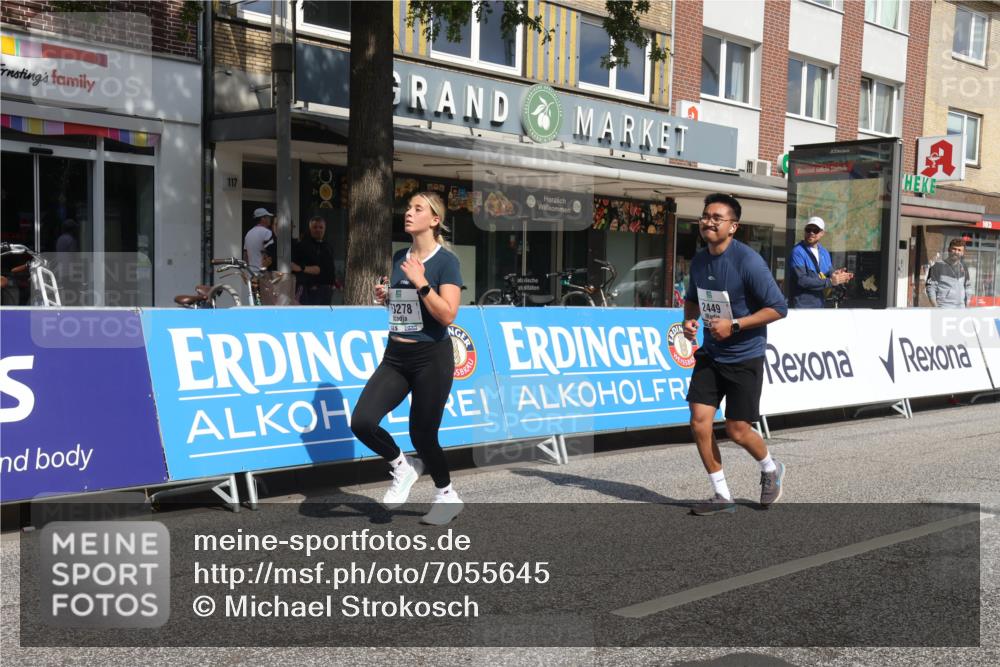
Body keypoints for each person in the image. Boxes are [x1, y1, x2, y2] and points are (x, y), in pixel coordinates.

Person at [351, 192, 464, 525]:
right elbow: (407, 308)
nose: (408, 213)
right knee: (362, 422)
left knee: (423, 435)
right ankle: (403, 466)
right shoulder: (401, 255)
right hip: (396, 356)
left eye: (418, 209)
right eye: (408, 208)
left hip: (432, 357)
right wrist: (387, 297)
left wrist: (422, 282)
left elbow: (448, 315)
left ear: (434, 220)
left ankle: (447, 495)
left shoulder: (446, 262)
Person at [682, 193, 789, 516]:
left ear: (733, 227)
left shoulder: (748, 261)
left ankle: (770, 468)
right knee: (699, 421)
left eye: (717, 218)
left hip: (745, 354)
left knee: (737, 430)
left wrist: (736, 325)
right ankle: (721, 494)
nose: (709, 222)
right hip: (711, 353)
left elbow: (778, 308)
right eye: (705, 216)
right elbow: (692, 299)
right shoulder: (700, 261)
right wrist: (689, 320)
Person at [788, 216, 853, 308]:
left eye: (815, 230)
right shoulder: (797, 251)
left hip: (820, 305)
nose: (811, 232)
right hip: (801, 307)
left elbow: (829, 273)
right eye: (808, 229)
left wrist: (837, 275)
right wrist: (831, 281)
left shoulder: (824, 252)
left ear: (822, 233)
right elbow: (802, 280)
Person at [292, 216, 336, 305]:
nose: (318, 230)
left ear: (325, 229)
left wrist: (334, 283)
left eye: (321, 227)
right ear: (310, 228)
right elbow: (297, 268)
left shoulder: (327, 246)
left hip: (327, 291)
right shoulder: (302, 246)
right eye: (315, 227)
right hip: (310, 290)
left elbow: (329, 267)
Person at [926, 239, 970, 308]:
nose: (956, 252)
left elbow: (967, 286)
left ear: (962, 253)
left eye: (959, 250)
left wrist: (967, 305)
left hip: (961, 308)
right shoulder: (937, 266)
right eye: (954, 249)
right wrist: (936, 308)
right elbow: (931, 287)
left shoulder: (964, 267)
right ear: (949, 249)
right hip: (944, 307)